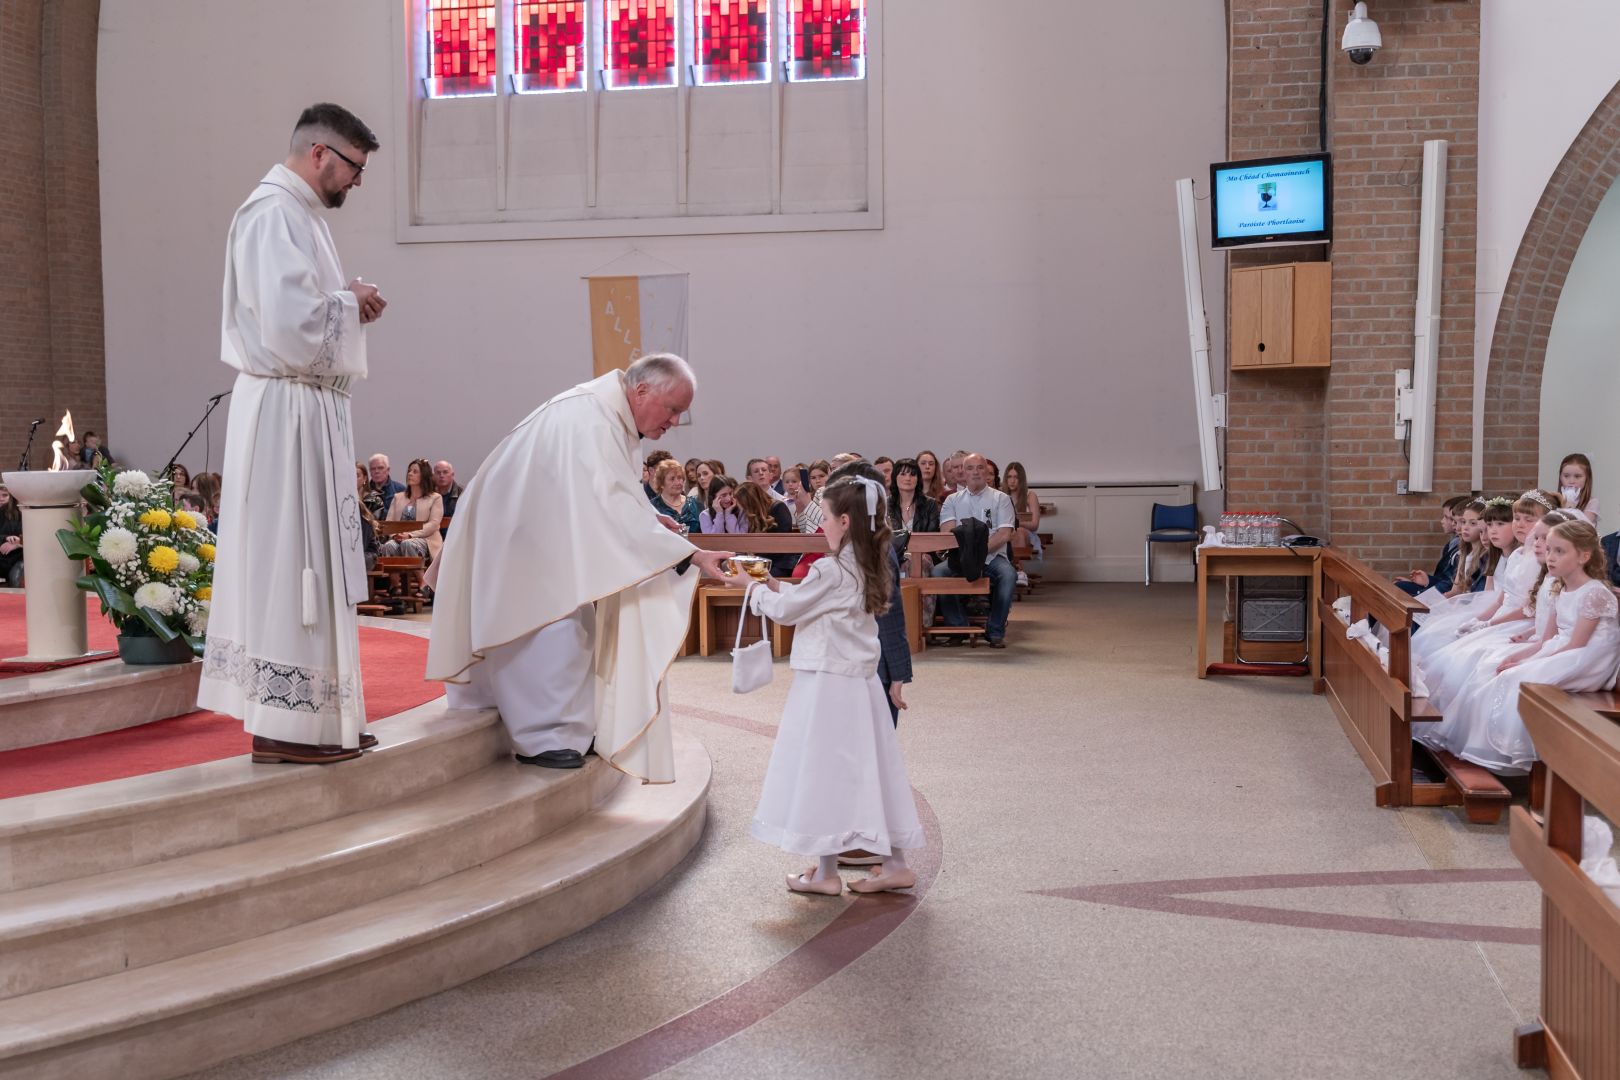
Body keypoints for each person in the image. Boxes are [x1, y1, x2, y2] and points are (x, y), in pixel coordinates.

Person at [426, 354, 732, 776]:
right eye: (673, 409)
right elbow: (609, 500)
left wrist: (648, 516)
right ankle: (546, 736)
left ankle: (564, 728)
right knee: (550, 624)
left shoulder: (606, 414)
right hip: (519, 534)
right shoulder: (593, 419)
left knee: (560, 621)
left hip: (529, 529)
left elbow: (607, 491)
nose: (675, 422)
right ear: (642, 391)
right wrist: (691, 553)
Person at [198, 102, 386, 766]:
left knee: (317, 563)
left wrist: (346, 299)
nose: (357, 181)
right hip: (283, 413)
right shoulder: (271, 212)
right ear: (319, 154)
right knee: (290, 560)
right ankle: (286, 725)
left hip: (307, 409)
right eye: (354, 167)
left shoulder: (302, 215)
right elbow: (288, 326)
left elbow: (307, 310)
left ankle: (326, 716)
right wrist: (348, 302)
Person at [742, 476, 924, 895]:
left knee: (822, 772)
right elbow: (810, 600)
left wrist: (750, 588)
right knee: (868, 771)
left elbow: (788, 612)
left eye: (823, 517)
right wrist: (772, 584)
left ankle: (826, 873)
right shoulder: (867, 562)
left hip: (827, 687)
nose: (818, 524)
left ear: (844, 521)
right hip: (860, 686)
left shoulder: (831, 568)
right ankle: (893, 864)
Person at [1417, 518, 1620, 774]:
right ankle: (1474, 750)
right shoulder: (1559, 588)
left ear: (1584, 556)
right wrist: (1518, 656)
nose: (1550, 557)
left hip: (1589, 659)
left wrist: (1528, 662)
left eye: (1560, 551)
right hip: (1562, 648)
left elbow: (1577, 644)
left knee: (1514, 679)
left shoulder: (1594, 592)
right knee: (1494, 668)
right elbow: (1546, 639)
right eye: (1549, 550)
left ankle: (1512, 751)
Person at [933, 453, 1017, 648]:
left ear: (987, 471)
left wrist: (977, 554)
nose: (975, 472)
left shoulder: (1001, 498)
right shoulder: (952, 500)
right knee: (938, 572)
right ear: (963, 472)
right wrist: (968, 555)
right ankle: (958, 627)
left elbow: (1004, 534)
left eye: (980, 467)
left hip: (992, 557)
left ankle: (995, 630)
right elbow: (947, 531)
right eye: (970, 468)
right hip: (960, 557)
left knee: (1008, 575)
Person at [382, 457, 444, 565]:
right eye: (409, 471)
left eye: (415, 472)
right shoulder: (398, 497)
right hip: (400, 538)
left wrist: (410, 535)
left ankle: (419, 575)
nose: (410, 474)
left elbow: (433, 524)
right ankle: (394, 577)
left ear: (424, 476)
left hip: (426, 539)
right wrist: (395, 535)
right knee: (388, 546)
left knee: (408, 544)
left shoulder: (435, 498)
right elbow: (389, 523)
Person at [735, 479, 796, 575]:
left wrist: (756, 554)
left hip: (781, 562)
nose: (742, 509)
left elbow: (782, 541)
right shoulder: (752, 514)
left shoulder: (778, 507)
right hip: (761, 560)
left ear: (751, 502)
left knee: (757, 576)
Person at [1001, 461, 1044, 584]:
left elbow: (1034, 525)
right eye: (1009, 477)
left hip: (1026, 534)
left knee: (1018, 532)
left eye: (1016, 477)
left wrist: (1016, 523)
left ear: (1021, 479)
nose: (1012, 481)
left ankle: (1018, 570)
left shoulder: (1030, 495)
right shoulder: (1001, 496)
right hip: (1006, 532)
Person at [650, 458, 701, 533]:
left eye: (680, 478)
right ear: (661, 484)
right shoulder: (652, 506)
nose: (678, 482)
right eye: (672, 479)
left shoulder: (695, 504)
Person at [1556, 452, 1601, 527]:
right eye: (1566, 476)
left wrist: (1570, 509)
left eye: (1577, 476)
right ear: (1560, 477)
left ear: (1587, 478)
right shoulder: (1555, 500)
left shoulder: (1591, 503)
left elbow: (1583, 527)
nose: (1571, 481)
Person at [783, 464, 822, 534]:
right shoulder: (781, 499)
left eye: (794, 481)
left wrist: (807, 502)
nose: (817, 481)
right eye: (813, 477)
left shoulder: (809, 498)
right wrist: (799, 510)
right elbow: (806, 529)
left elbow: (825, 522)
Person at [0, 485, 23, 588]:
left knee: (15, 577)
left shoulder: (21, 512)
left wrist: (19, 543)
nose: (1, 498)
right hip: (2, 557)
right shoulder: (2, 511)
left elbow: (36, 537)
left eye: (4, 495)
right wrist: (5, 538)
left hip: (19, 557)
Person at [432, 460, 462, 525]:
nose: (441, 475)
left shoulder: (461, 494)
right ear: (433, 476)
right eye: (438, 473)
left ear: (452, 475)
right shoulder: (428, 494)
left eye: (445, 472)